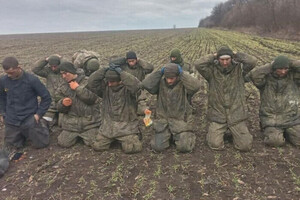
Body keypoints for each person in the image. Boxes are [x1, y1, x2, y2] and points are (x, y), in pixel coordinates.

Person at [194, 46, 257, 151]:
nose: (224, 62)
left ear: (231, 58)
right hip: (218, 115)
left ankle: (234, 131)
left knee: (245, 146)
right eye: (222, 59)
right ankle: (223, 131)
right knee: (214, 144)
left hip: (236, 115)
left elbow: (252, 61)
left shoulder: (239, 70)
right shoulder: (211, 72)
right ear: (218, 59)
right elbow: (198, 64)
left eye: (227, 59)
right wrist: (213, 55)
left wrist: (236, 54)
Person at [0, 57, 51, 177]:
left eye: (12, 72)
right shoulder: (3, 81)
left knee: (41, 144)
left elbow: (46, 98)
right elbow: (1, 98)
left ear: (19, 67)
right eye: (7, 73)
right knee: (9, 148)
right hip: (12, 119)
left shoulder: (32, 80)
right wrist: (2, 113)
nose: (10, 75)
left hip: (29, 117)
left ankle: (43, 124)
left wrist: (38, 114)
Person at [141, 63, 200, 152]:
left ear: (177, 76)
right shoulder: (160, 84)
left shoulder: (184, 85)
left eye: (172, 78)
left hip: (180, 122)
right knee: (157, 147)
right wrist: (159, 73)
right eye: (167, 78)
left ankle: (186, 135)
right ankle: (169, 136)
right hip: (163, 123)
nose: (169, 81)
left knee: (185, 147)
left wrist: (182, 73)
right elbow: (146, 84)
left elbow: (196, 86)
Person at [87, 62, 142, 154]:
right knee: (98, 147)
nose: (109, 84)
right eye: (108, 81)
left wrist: (121, 73)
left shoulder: (129, 90)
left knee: (132, 148)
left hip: (126, 128)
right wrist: (104, 69)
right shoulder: (105, 89)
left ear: (120, 80)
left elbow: (137, 85)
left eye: (112, 82)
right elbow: (91, 82)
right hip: (108, 128)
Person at [246, 55, 300, 147]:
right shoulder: (265, 80)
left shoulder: (294, 78)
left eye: (285, 69)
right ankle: (275, 133)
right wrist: (271, 65)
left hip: (291, 119)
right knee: (274, 142)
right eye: (280, 69)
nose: (283, 72)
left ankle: (288, 133)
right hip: (271, 120)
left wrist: (288, 61)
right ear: (274, 68)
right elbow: (254, 74)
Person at [55, 61, 101, 148]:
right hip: (71, 124)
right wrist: (62, 103)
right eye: (62, 74)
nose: (63, 76)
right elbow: (57, 106)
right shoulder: (62, 86)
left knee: (94, 143)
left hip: (89, 123)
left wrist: (78, 88)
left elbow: (93, 99)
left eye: (65, 73)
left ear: (72, 72)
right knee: (63, 143)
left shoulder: (88, 82)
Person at [32, 54, 65, 127]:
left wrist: (61, 59)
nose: (53, 68)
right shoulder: (48, 72)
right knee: (44, 122)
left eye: (55, 66)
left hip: (64, 105)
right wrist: (46, 60)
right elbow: (35, 69)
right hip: (51, 105)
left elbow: (72, 67)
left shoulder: (65, 72)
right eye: (51, 66)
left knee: (62, 124)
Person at [120, 51, 154, 115]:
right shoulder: (124, 68)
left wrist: (140, 61)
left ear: (136, 60)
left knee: (142, 110)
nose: (131, 63)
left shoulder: (140, 68)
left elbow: (150, 68)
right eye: (129, 61)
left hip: (139, 91)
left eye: (133, 61)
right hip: (127, 91)